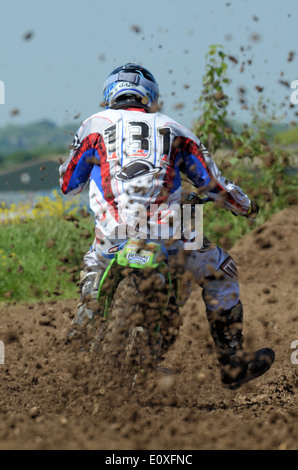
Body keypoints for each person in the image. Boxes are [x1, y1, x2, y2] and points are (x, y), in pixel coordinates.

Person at [59, 63, 275, 390]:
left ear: (108, 95)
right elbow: (215, 185)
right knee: (221, 273)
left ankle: (84, 319)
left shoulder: (93, 125)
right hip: (166, 233)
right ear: (152, 97)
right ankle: (232, 363)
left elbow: (67, 185)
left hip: (112, 233)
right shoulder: (176, 130)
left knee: (95, 257)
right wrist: (247, 206)